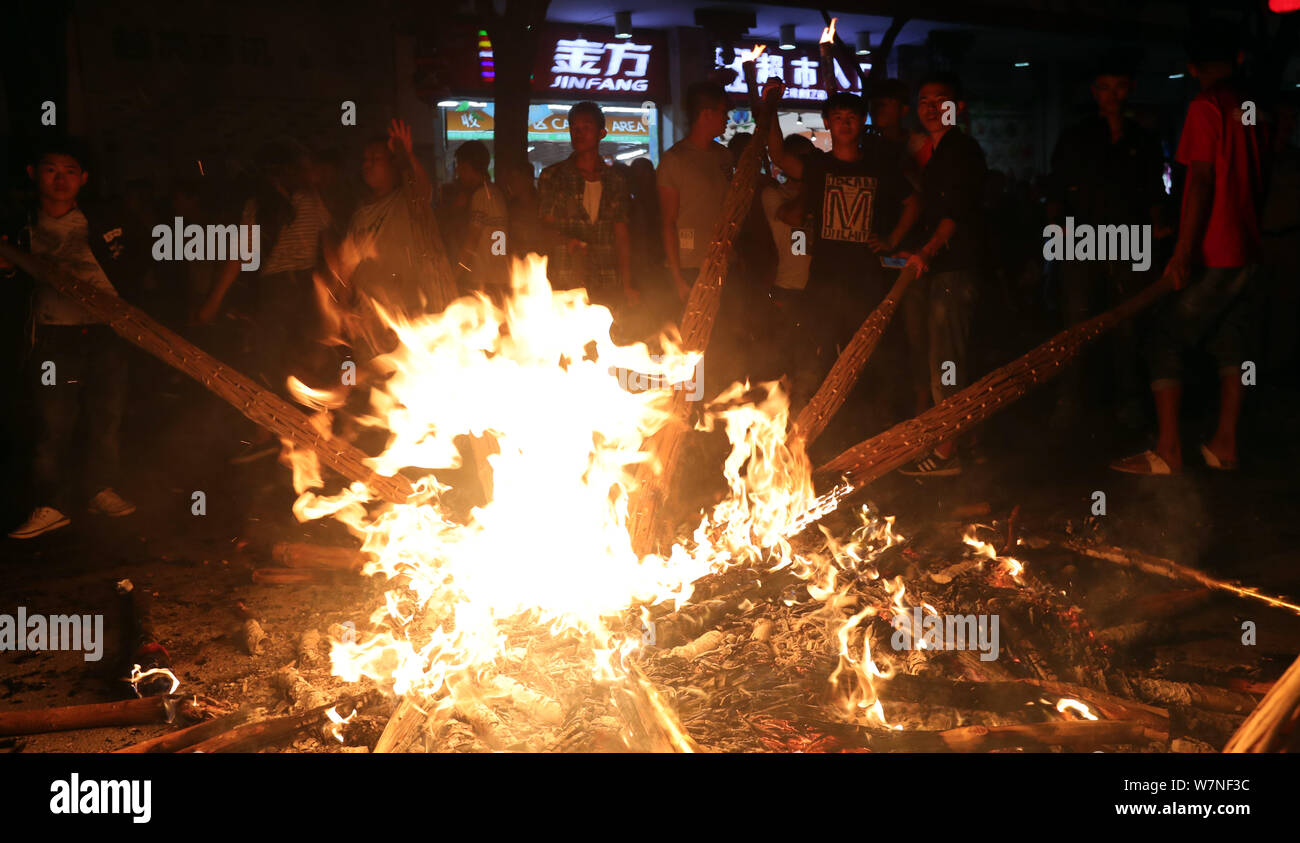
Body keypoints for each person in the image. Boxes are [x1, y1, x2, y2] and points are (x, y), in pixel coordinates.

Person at [1110, 25, 1267, 475]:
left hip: (1215, 247)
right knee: (1232, 342)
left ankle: (1168, 451)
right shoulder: (1253, 106)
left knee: (1164, 338)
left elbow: (1199, 179)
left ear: (1193, 68)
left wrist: (1182, 250)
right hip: (1248, 246)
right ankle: (1226, 444)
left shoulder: (1206, 105)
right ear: (1236, 58)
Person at [1, 138, 136, 538]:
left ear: (84, 179)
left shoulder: (103, 222)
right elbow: (13, 287)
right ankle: (51, 504)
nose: (60, 179)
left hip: (105, 334)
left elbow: (135, 270)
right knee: (52, 423)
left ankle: (100, 489)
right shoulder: (18, 227)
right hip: (53, 338)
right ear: (33, 174)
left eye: (70, 171)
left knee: (106, 417)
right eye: (50, 169)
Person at [765, 87, 921, 412]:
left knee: (863, 351)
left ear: (862, 122)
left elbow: (913, 203)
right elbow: (778, 156)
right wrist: (768, 104)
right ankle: (820, 414)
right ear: (827, 123)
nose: (845, 124)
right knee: (818, 348)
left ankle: (862, 415)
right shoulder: (819, 167)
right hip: (824, 280)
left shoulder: (878, 168)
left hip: (864, 280)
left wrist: (891, 240)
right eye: (838, 118)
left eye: (851, 118)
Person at [1047, 52, 1169, 431]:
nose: (1112, 95)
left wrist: (1159, 234)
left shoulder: (1143, 140)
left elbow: (1153, 195)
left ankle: (1127, 402)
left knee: (1127, 324)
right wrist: (1057, 232)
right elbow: (1055, 190)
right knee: (1077, 323)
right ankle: (1070, 402)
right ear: (1094, 91)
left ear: (1129, 89)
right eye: (1105, 87)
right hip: (1081, 241)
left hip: (1130, 242)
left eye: (1119, 87)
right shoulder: (1076, 137)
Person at [896, 72, 988, 477]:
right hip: (947, 267)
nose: (931, 109)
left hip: (954, 269)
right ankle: (965, 440)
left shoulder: (960, 150)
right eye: (924, 102)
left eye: (941, 101)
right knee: (948, 357)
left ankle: (948, 449)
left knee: (946, 361)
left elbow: (957, 210)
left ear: (958, 107)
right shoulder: (941, 149)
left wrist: (929, 251)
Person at [327, 118, 458, 360]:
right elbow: (348, 265)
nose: (368, 165)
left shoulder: (407, 201)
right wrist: (342, 307)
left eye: (376, 159)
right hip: (371, 321)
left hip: (413, 317)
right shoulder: (361, 213)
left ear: (394, 166)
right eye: (365, 160)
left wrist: (406, 155)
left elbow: (422, 189)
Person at [536, 101, 635, 309]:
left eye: (586, 127)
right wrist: (568, 241)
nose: (578, 133)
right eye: (574, 128)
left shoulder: (616, 181)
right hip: (566, 277)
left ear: (601, 133)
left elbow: (622, 234)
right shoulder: (553, 177)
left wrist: (627, 284)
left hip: (606, 277)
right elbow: (545, 225)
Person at [657, 82, 733, 303]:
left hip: (724, 262)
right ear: (706, 114)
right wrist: (677, 278)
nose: (727, 118)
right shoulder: (675, 159)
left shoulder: (725, 157)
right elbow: (668, 222)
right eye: (723, 112)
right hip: (690, 265)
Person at [758, 133, 816, 386]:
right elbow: (795, 217)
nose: (807, 165)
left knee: (811, 361)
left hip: (816, 288)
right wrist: (810, 186)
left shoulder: (819, 194)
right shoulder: (773, 194)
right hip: (787, 289)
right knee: (783, 360)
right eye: (802, 159)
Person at [451, 140, 510, 292]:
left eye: (461, 166)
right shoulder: (495, 192)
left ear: (470, 167)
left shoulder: (480, 196)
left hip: (483, 280)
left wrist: (455, 274)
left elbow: (472, 239)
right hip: (499, 275)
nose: (458, 171)